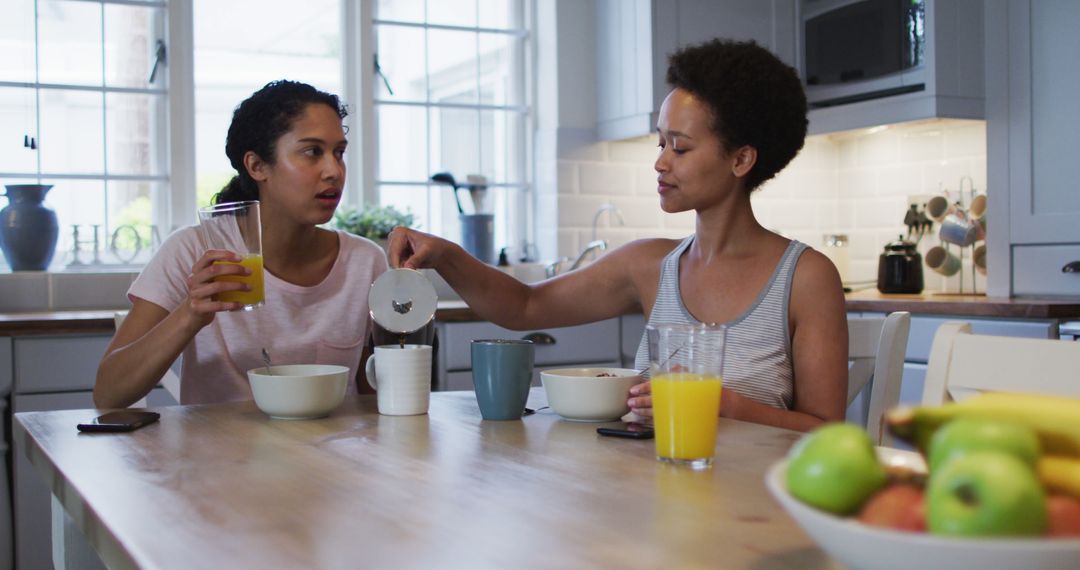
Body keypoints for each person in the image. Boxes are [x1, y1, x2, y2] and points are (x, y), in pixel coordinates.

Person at [388, 39, 847, 432]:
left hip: (759, 509)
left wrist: (722, 406)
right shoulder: (649, 266)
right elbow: (524, 306)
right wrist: (447, 256)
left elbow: (826, 431)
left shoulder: (805, 277)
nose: (661, 162)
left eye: (680, 147)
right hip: (656, 493)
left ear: (741, 160)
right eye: (660, 143)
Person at [95, 80, 387, 407]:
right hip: (217, 455)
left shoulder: (365, 261)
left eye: (339, 153)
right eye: (312, 152)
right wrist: (190, 314)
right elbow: (108, 393)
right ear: (257, 165)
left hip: (328, 454)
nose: (334, 170)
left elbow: (370, 401)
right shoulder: (194, 250)